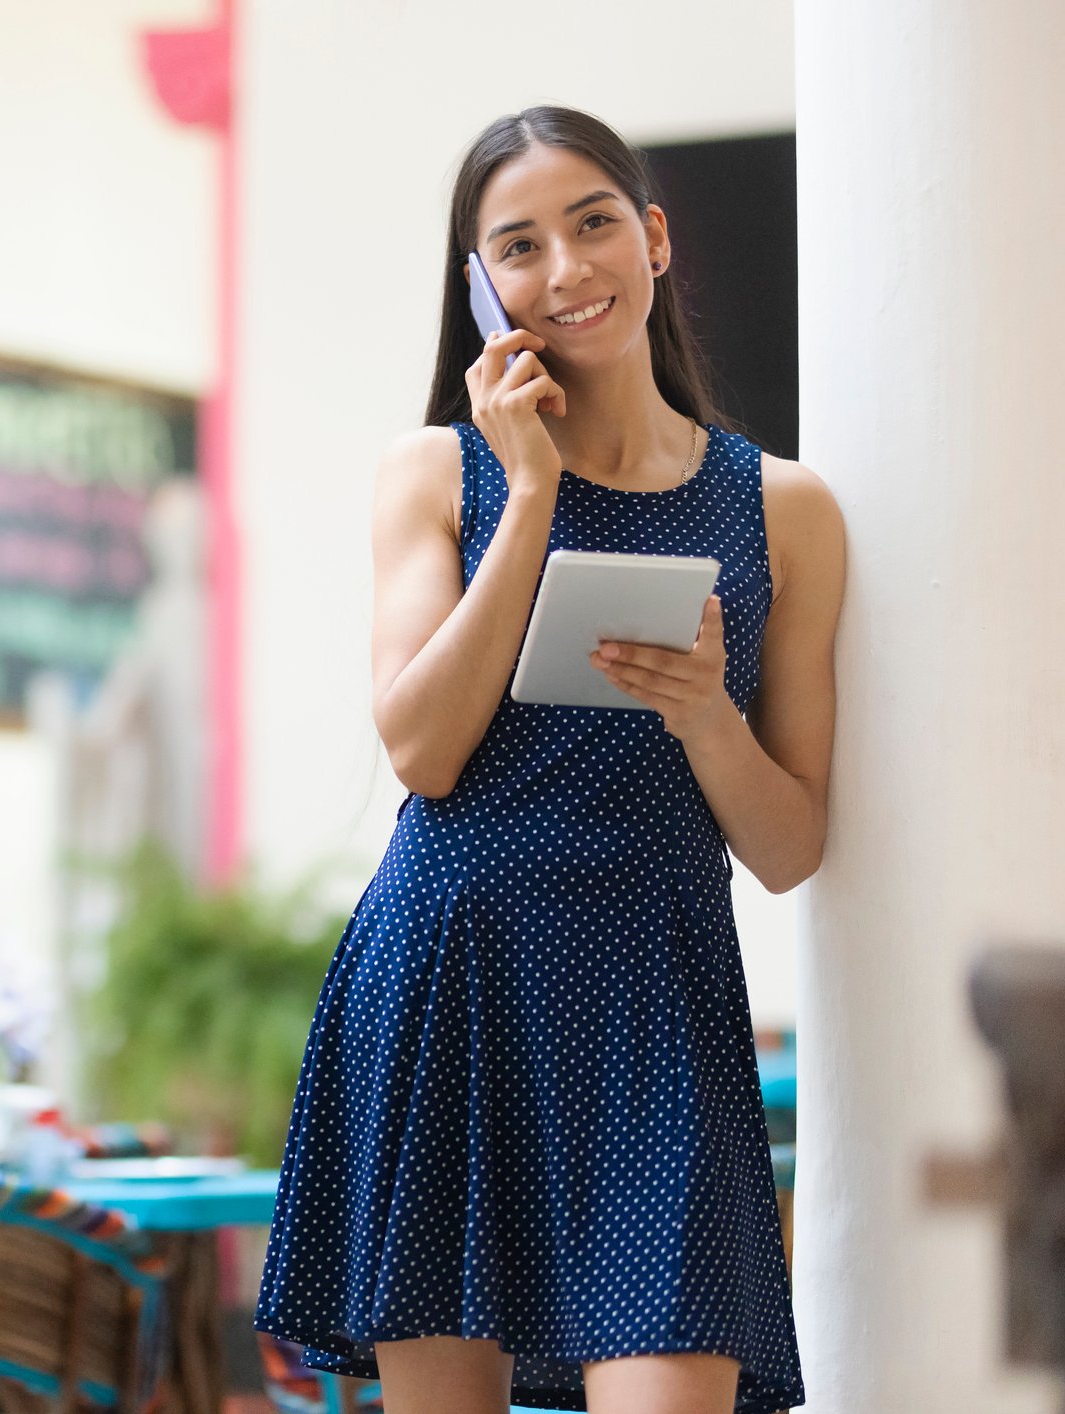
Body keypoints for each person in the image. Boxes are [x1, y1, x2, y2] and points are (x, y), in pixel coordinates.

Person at [253, 105, 844, 1414]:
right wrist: (528, 497)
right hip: (453, 980)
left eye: (592, 224)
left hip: (659, 1003)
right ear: (478, 288)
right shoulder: (437, 475)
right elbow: (421, 750)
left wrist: (702, 710)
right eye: (519, 246)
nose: (567, 271)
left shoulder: (783, 507)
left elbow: (793, 846)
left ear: (656, 236)